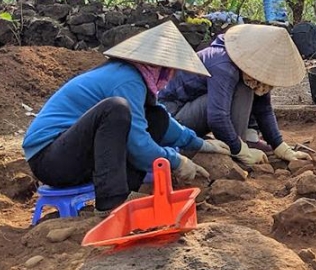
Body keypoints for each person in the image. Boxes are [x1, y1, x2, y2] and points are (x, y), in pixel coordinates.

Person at [22, 21, 224, 215]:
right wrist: (176, 161)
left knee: (155, 117)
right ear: (160, 67)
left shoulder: (134, 78)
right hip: (50, 159)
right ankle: (112, 202)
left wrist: (198, 143)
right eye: (172, 70)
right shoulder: (127, 80)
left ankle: (127, 191)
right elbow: (137, 144)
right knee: (115, 109)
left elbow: (161, 123)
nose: (172, 77)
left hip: (70, 153)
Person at [159, 24, 310, 168]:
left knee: (249, 86)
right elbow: (217, 116)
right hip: (172, 120)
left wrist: (280, 146)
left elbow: (263, 108)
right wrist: (239, 150)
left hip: (190, 114)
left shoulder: (249, 67)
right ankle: (238, 149)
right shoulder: (222, 64)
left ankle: (245, 141)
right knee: (244, 88)